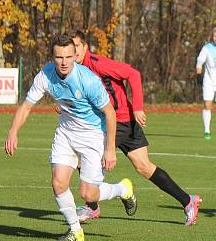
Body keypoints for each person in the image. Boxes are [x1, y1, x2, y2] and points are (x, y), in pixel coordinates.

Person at [4, 34, 137, 241]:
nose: (64, 62)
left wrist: (110, 149)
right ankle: (75, 230)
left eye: (68, 56)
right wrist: (13, 131)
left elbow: (110, 113)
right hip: (66, 132)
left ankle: (123, 189)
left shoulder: (88, 80)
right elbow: (27, 105)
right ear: (53, 57)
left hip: (93, 135)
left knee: (89, 194)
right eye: (59, 57)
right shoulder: (45, 75)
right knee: (58, 183)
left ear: (75, 55)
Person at [71, 31, 202, 226]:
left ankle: (92, 207)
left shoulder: (97, 63)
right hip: (116, 121)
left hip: (119, 121)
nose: (73, 52)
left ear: (85, 47)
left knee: (86, 158)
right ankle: (188, 201)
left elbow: (133, 74)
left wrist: (138, 106)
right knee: (144, 166)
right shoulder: (75, 69)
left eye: (76, 48)